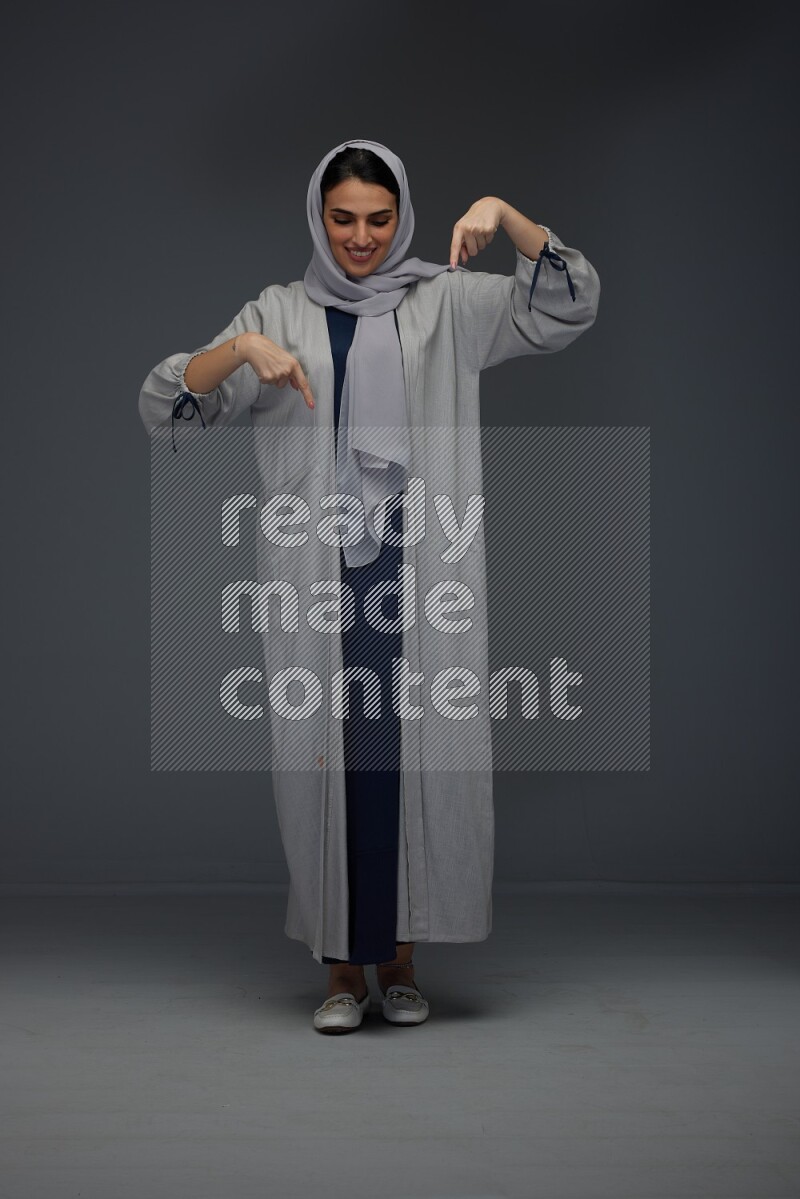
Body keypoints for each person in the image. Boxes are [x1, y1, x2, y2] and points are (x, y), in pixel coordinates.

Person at [138, 138, 601, 1034]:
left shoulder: (446, 306)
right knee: (330, 762)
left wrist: (507, 217)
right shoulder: (276, 312)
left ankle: (402, 959)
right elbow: (167, 411)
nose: (360, 237)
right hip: (317, 581)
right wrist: (238, 351)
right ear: (319, 216)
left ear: (404, 218)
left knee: (412, 755)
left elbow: (572, 302)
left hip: (421, 573)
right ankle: (342, 973)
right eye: (342, 218)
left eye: (378, 220)